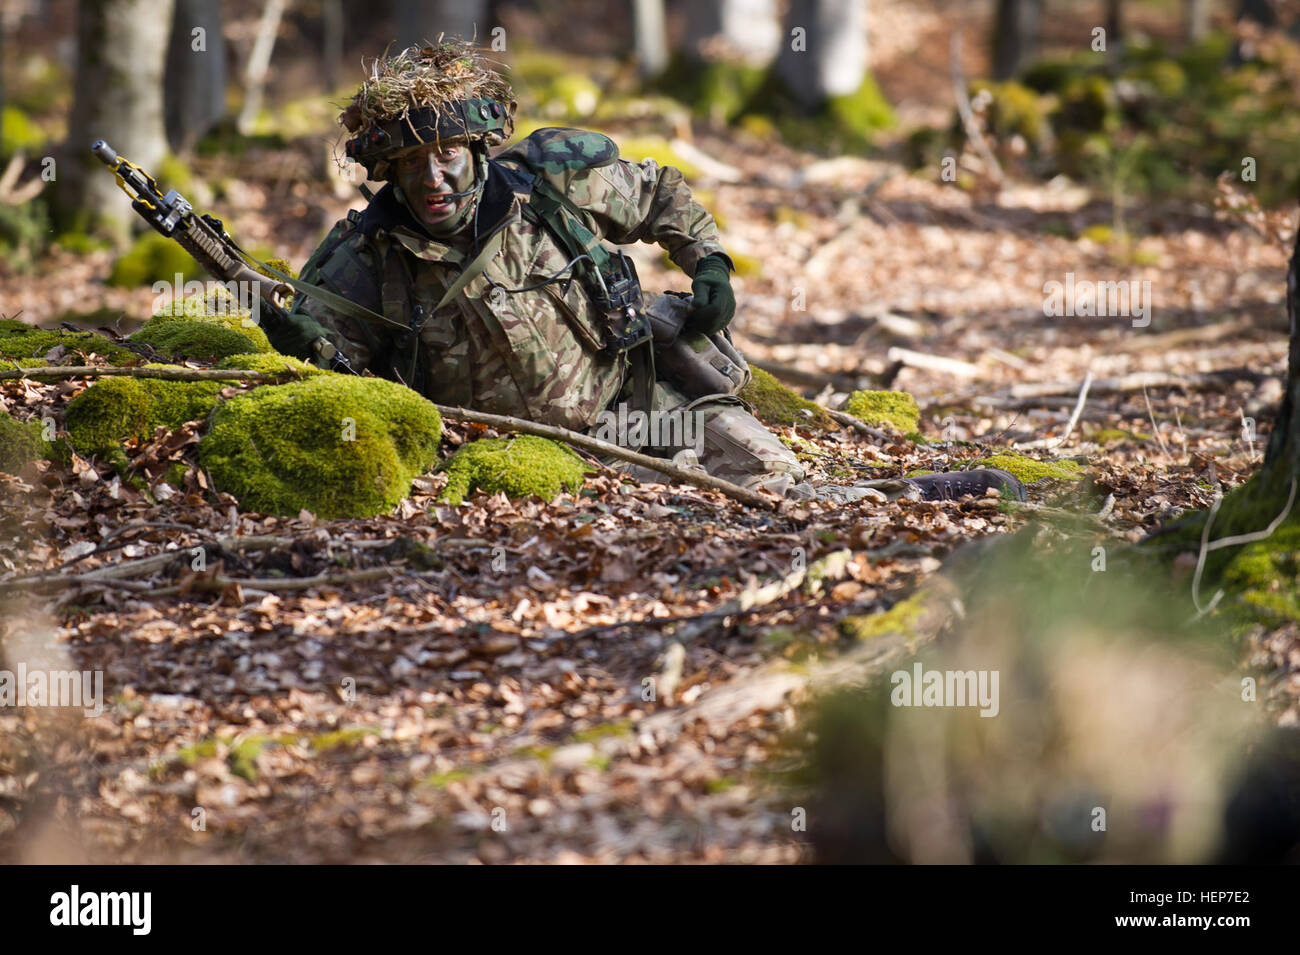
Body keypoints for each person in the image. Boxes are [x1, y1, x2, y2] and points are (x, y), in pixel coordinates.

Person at [269, 40, 1025, 504]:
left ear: (476, 150)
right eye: (408, 164)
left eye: (445, 156)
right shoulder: (364, 258)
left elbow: (664, 195)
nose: (431, 178)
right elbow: (326, 371)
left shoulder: (553, 184)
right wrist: (293, 339)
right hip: (511, 458)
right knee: (713, 507)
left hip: (638, 409)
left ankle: (912, 497)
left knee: (771, 470)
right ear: (386, 172)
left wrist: (712, 270)